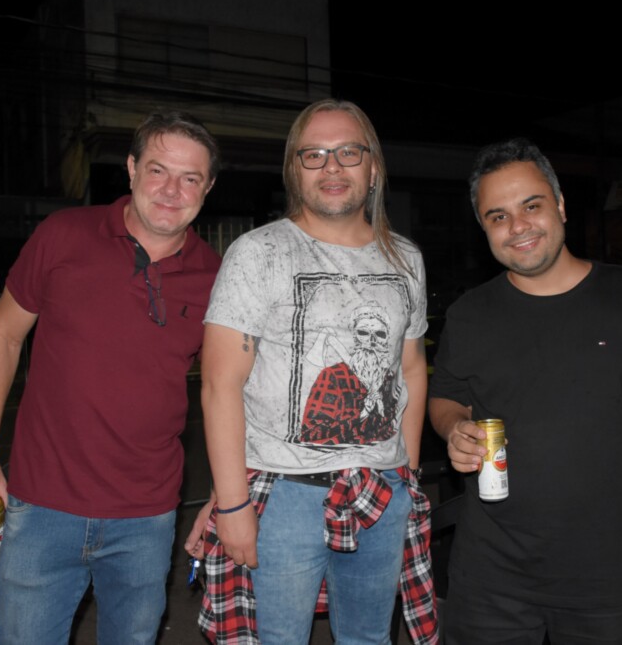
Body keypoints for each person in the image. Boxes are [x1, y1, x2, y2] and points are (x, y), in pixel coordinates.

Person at [429, 138, 622, 645]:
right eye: (498, 216)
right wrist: (454, 427)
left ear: (560, 205)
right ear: (483, 228)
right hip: (491, 573)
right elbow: (445, 395)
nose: (518, 226)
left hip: (609, 571)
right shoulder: (469, 314)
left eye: (531, 206)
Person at [0, 110, 222, 644]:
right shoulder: (63, 235)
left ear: (208, 188)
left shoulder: (218, 277)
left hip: (147, 517)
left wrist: (224, 494)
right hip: (41, 506)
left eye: (190, 178)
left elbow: (226, 392)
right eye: (158, 170)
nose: (171, 190)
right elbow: (3, 336)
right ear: (131, 169)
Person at [186, 99, 437, 644]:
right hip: (284, 498)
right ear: (294, 171)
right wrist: (232, 503)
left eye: (348, 152)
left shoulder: (407, 259)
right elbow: (220, 385)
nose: (332, 166)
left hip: (382, 492)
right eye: (314, 155)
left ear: (373, 168)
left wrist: (408, 478)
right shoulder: (258, 253)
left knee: (370, 639)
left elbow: (412, 369)